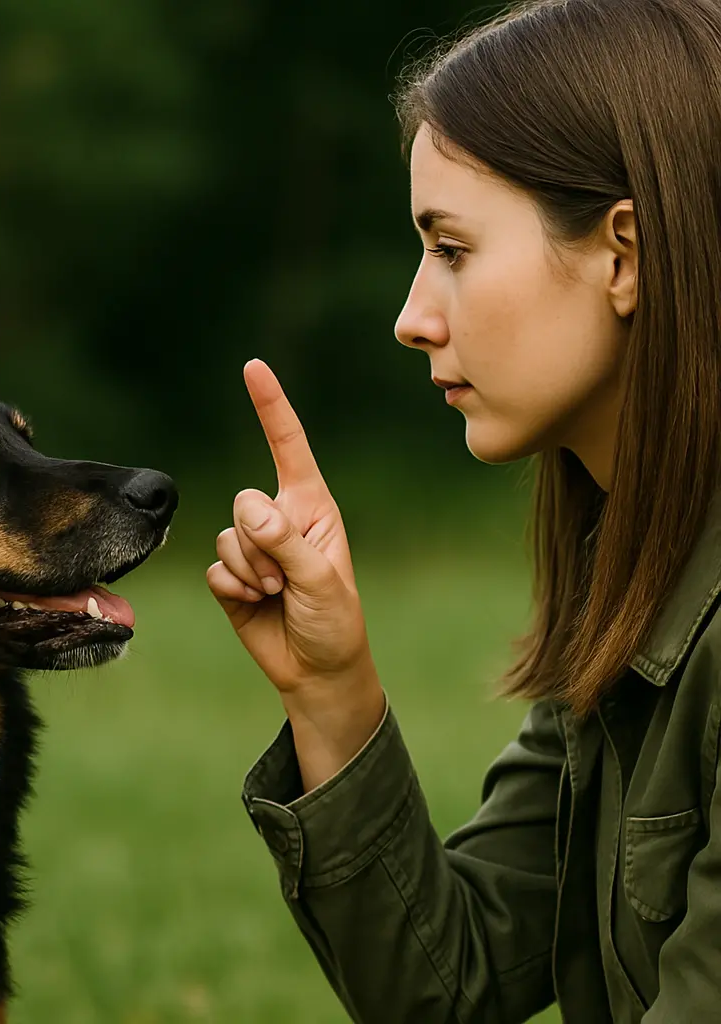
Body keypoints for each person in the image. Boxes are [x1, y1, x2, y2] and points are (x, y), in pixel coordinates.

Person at [205, 1, 721, 1021]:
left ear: (623, 252)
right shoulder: (628, 569)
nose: (411, 316)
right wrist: (331, 692)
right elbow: (448, 985)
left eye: (450, 248)